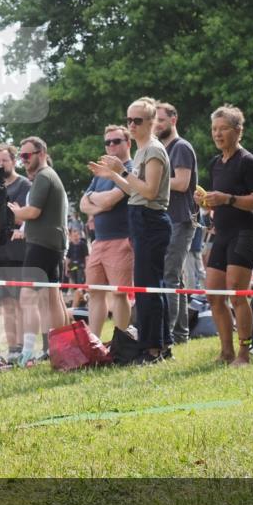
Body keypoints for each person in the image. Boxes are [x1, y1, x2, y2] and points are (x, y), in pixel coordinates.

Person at [88, 97, 172, 363]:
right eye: (129, 120)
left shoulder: (153, 150)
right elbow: (133, 189)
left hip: (151, 220)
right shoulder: (141, 151)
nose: (132, 125)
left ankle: (154, 348)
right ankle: (159, 344)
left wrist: (121, 170)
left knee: (149, 289)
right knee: (149, 287)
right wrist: (113, 175)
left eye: (137, 120)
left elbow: (149, 191)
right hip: (140, 218)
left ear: (151, 122)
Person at [192, 106, 253, 365]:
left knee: (237, 292)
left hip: (244, 232)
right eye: (214, 129)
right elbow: (218, 202)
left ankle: (245, 352)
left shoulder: (247, 161)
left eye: (223, 128)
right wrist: (207, 202)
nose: (217, 133)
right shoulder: (215, 163)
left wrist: (228, 199)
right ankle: (226, 352)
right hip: (221, 234)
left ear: (237, 131)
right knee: (213, 295)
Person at [10, 136, 70, 366]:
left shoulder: (44, 177)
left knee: (29, 296)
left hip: (42, 246)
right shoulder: (47, 176)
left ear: (41, 153)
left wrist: (14, 212)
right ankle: (63, 348)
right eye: (21, 157)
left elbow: (33, 212)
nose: (23, 161)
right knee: (53, 298)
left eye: (27, 155)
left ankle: (27, 352)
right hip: (51, 244)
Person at [80, 125, 135, 338]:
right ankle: (94, 342)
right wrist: (100, 203)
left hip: (121, 240)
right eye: (108, 142)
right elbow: (83, 205)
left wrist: (97, 200)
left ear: (128, 143)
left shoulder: (130, 169)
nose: (111, 145)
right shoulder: (101, 172)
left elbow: (112, 199)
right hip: (99, 242)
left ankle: (122, 341)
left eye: (116, 141)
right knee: (94, 293)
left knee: (120, 294)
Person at [156, 102, 199, 345]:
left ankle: (168, 335)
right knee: (175, 278)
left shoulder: (181, 147)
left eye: (161, 120)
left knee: (169, 276)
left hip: (182, 219)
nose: (157, 125)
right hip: (168, 219)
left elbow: (182, 183)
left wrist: (153, 180)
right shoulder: (163, 149)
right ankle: (181, 334)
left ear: (173, 120)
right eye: (154, 121)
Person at [0, 144, 31, 360]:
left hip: (18, 252)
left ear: (13, 161)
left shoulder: (24, 185)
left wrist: (7, 216)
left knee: (19, 301)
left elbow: (24, 216)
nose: (1, 164)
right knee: (5, 303)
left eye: (4, 160)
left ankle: (22, 347)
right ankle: (12, 349)